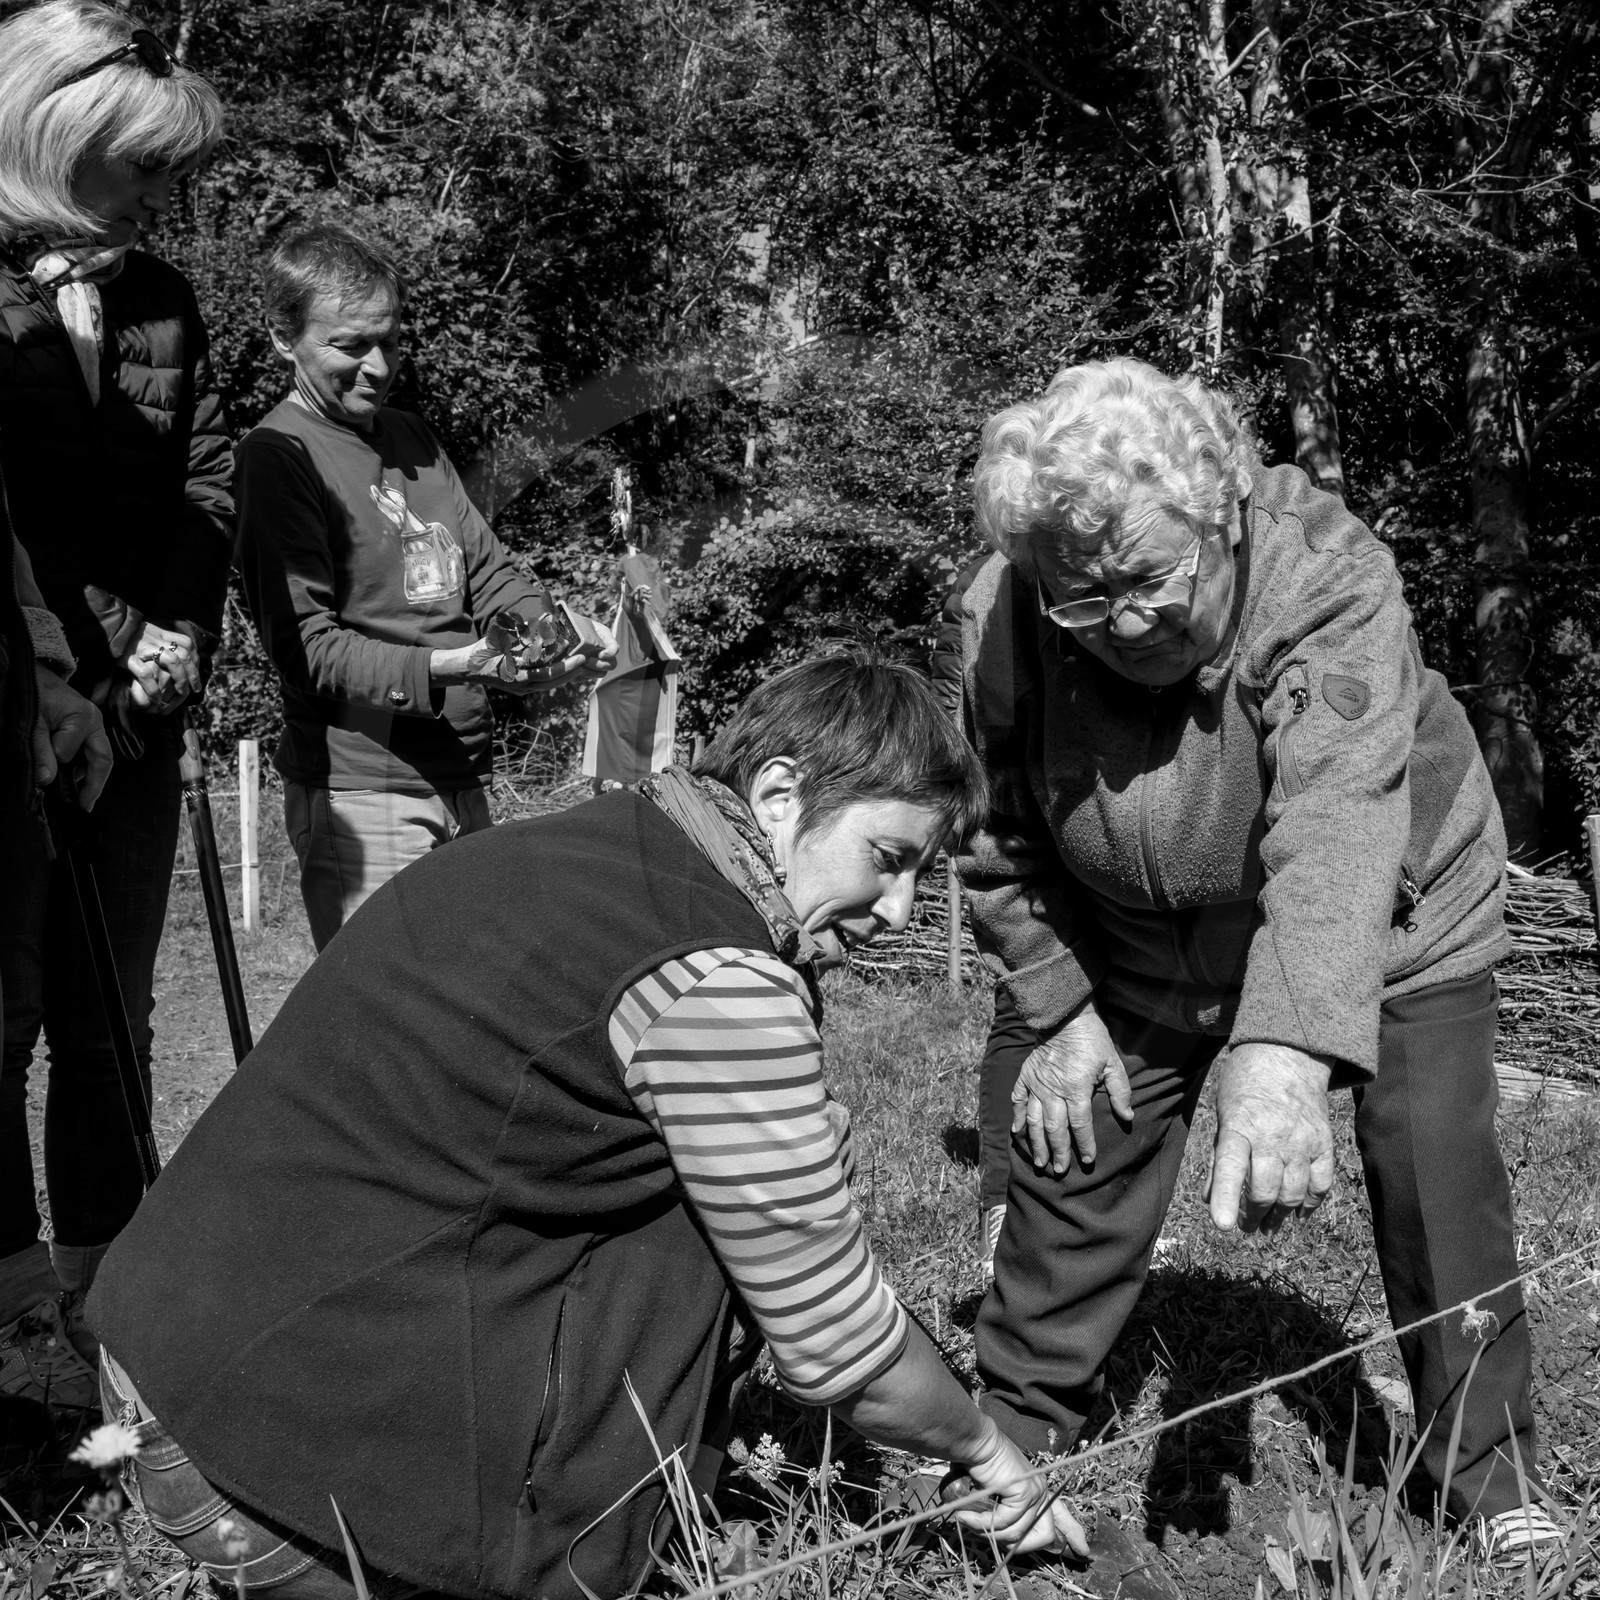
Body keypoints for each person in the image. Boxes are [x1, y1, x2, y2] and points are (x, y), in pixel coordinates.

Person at [88, 652, 1087, 1600]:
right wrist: (987, 1451)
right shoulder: (721, 974)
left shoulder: (575, 850)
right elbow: (836, 1346)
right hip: (270, 1477)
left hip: (162, 1350)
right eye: (889, 857)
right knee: (708, 1240)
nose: (901, 908)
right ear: (781, 792)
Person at [957, 358, 1555, 1562]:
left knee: (1432, 1160)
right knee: (1075, 1140)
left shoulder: (1327, 574)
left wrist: (1277, 1051)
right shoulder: (1008, 612)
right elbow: (995, 828)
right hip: (1135, 937)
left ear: (1223, 505)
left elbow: (1335, 826)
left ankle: (1489, 1482)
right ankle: (1000, 1448)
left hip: (1391, 914)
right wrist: (1054, 996)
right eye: (1083, 598)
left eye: (1147, 580)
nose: (1121, 624)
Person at [0, 0, 230, 1399]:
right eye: (142, 162)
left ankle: (105, 1290)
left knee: (111, 1010)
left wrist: (174, 634)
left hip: (132, 707)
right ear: (56, 136)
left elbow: (202, 485)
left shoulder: (161, 300)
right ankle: (12, 1313)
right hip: (12, 698)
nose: (163, 194)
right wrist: (41, 675)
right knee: (2, 1007)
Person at [236, 223, 615, 952]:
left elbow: (488, 567)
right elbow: (306, 649)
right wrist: (450, 667)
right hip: (363, 792)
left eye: (392, 340)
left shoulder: (413, 437)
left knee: (462, 1016)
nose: (378, 367)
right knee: (384, 1036)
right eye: (349, 345)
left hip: (464, 774)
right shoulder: (276, 457)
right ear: (285, 338)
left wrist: (547, 634)